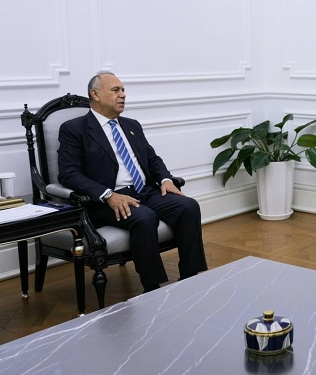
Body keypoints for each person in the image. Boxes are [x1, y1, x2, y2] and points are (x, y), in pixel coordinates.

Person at [58, 71, 208, 293]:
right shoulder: (74, 129)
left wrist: (165, 179)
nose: (123, 95)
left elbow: (152, 159)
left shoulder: (132, 125)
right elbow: (68, 173)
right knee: (144, 217)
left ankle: (190, 277)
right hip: (107, 200)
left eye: (123, 90)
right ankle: (153, 288)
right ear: (95, 94)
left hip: (144, 191)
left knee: (188, 206)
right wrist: (108, 195)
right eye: (115, 90)